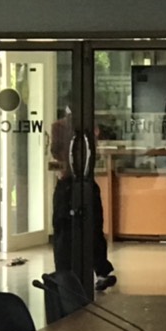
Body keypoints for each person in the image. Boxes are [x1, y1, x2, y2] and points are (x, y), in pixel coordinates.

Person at [50, 110, 116, 292]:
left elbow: (55, 151)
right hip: (76, 179)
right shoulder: (79, 128)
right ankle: (81, 271)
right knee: (85, 226)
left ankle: (79, 271)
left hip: (75, 179)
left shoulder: (75, 128)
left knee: (84, 226)